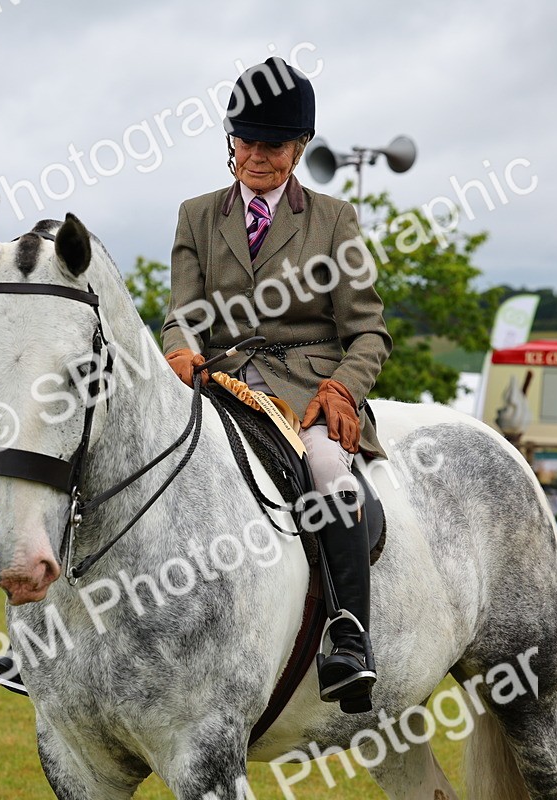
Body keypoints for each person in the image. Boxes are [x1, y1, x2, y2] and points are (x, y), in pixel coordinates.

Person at [161, 57, 392, 710]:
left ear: (300, 148)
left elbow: (369, 332)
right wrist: (179, 350)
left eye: (272, 146)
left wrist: (344, 389)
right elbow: (181, 311)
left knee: (327, 471)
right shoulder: (197, 215)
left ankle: (350, 634)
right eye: (246, 142)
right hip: (219, 385)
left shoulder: (333, 219)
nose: (255, 157)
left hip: (306, 389)